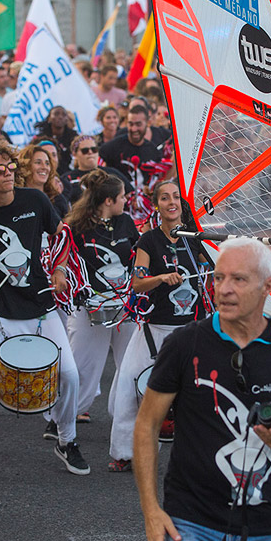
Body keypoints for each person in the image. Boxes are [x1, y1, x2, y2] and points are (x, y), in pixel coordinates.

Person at [133, 237, 271, 541]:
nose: (224, 289)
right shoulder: (184, 343)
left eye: (238, 279)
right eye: (219, 278)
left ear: (268, 287)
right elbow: (146, 425)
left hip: (264, 524)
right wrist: (151, 511)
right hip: (191, 520)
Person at [0, 141, 84, 480]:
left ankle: (67, 440)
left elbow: (62, 235)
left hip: (40, 305)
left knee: (69, 374)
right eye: (0, 170)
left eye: (11, 168)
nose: (8, 174)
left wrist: (61, 269)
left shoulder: (35, 200)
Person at [108, 180, 210, 471]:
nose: (171, 202)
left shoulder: (195, 238)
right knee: (129, 384)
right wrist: (162, 278)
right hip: (154, 331)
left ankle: (201, 457)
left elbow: (219, 266)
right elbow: (138, 283)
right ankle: (123, 454)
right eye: (164, 198)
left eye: (176, 197)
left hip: (191, 330)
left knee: (200, 393)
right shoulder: (148, 240)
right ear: (157, 205)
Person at [52, 169, 140, 432]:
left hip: (125, 307)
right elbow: (61, 261)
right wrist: (62, 278)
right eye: (122, 196)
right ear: (108, 201)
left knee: (131, 365)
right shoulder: (75, 227)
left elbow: (137, 257)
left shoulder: (126, 222)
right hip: (88, 307)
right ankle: (61, 420)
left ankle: (125, 419)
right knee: (82, 370)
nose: (126, 200)